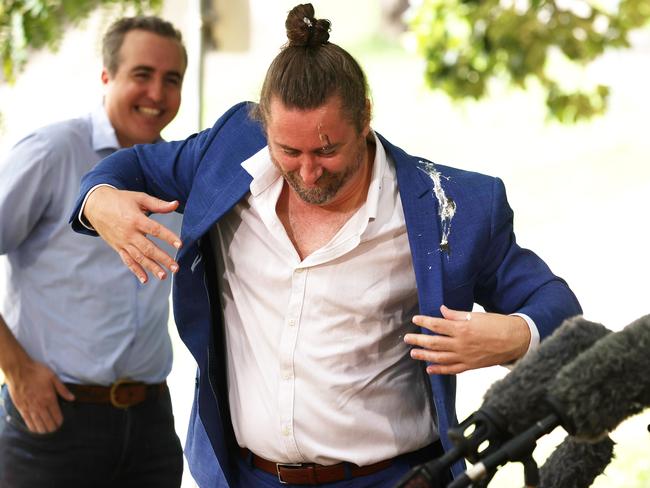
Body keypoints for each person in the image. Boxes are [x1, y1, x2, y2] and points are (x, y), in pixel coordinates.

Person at [71, 4, 582, 487]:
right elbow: (132, 166)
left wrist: (516, 336)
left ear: (365, 116)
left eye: (328, 149)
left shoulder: (456, 203)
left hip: (396, 478)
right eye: (287, 150)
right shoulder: (228, 150)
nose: (308, 172)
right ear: (263, 125)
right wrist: (99, 200)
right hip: (246, 476)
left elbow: (559, 309)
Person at [0, 16, 187, 488]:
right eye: (142, 75)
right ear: (107, 76)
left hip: (151, 424)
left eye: (172, 80)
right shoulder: (53, 151)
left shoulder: (176, 169)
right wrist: (18, 371)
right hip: (53, 419)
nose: (157, 95)